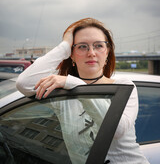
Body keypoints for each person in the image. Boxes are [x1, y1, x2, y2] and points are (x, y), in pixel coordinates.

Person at [16, 17, 150, 164]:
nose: (91, 53)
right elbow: (24, 83)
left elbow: (117, 130)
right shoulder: (63, 95)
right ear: (71, 55)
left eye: (99, 46)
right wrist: (64, 47)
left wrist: (73, 83)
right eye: (82, 46)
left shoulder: (124, 86)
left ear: (107, 52)